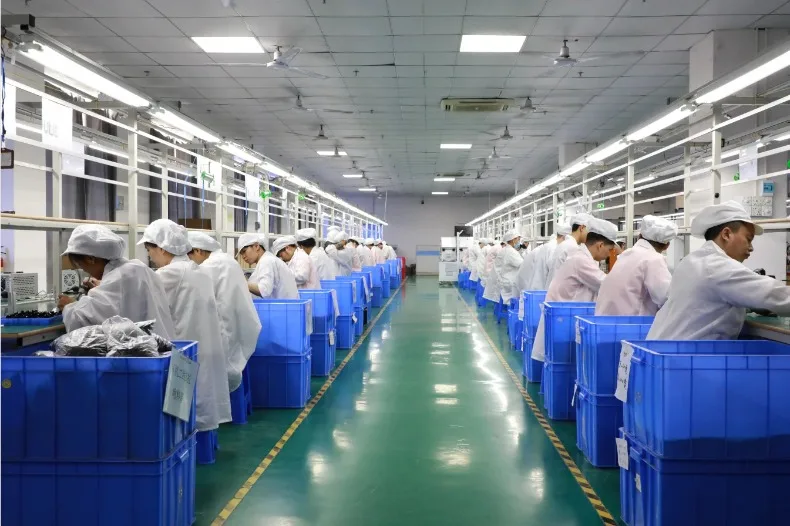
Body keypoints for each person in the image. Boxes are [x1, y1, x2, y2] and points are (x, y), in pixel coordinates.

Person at [648, 201, 790, 340]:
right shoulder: (718, 267)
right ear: (726, 234)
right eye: (748, 239)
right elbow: (776, 295)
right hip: (685, 353)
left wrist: (752, 304)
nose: (751, 248)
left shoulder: (690, 261)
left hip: (662, 347)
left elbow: (706, 303)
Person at [139, 219, 230, 432]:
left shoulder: (170, 273)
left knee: (184, 413)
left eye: (149, 250)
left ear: (162, 248)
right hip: (203, 348)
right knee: (201, 402)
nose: (150, 256)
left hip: (185, 352)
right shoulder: (196, 269)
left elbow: (143, 298)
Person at [57, 225, 175, 338]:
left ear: (91, 259)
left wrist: (68, 306)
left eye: (81, 265)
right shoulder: (136, 267)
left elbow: (84, 319)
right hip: (160, 342)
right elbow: (123, 301)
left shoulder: (118, 278)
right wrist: (101, 288)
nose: (85, 271)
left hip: (144, 348)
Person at [532, 218, 617, 362]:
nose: (609, 255)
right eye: (609, 250)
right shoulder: (581, 260)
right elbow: (607, 284)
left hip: (561, 319)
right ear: (600, 245)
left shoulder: (581, 257)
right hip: (562, 322)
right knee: (560, 364)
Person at [187, 231, 261, 392]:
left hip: (227, 333)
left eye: (189, 256)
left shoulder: (210, 266)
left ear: (198, 250)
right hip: (243, 327)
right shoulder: (226, 260)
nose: (190, 261)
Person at [595, 215, 678, 316]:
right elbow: (666, 298)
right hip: (629, 323)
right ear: (667, 246)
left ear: (639, 236)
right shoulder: (653, 259)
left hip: (605, 319)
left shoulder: (626, 254)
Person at [238, 233, 298, 299]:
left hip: (283, 305)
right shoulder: (266, 259)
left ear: (256, 246)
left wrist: (242, 283)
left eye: (244, 251)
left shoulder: (266, 261)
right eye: (241, 254)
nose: (243, 256)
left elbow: (264, 290)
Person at [546, 213, 594, 287]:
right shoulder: (572, 248)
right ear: (581, 228)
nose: (590, 235)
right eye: (589, 231)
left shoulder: (566, 245)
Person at [498, 230, 523, 304]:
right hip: (509, 282)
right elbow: (522, 264)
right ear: (513, 240)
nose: (519, 242)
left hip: (504, 279)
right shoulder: (511, 252)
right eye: (518, 239)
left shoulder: (505, 249)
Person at [482, 238, 503, 304]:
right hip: (490, 270)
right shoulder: (499, 248)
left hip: (488, 269)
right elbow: (502, 258)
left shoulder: (495, 247)